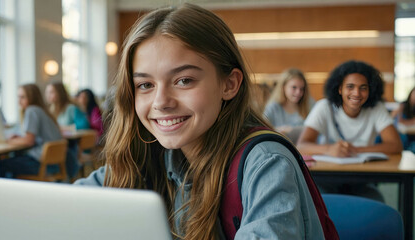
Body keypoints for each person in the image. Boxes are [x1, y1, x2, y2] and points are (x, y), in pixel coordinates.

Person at [75, 3, 325, 239]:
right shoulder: (150, 153)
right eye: (145, 85)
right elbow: (64, 204)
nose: (161, 102)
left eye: (184, 80)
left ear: (229, 84)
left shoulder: (265, 163)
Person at [297, 60, 403, 201]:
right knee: (320, 202)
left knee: (376, 202)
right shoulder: (324, 107)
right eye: (350, 87)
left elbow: (395, 145)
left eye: (363, 88)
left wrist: (356, 150)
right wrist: (329, 150)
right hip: (327, 178)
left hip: (362, 179)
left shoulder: (376, 108)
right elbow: (301, 146)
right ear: (340, 89)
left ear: (370, 90)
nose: (356, 93)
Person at [0, 84, 63, 178]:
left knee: (1, 164)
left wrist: (7, 141)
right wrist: (20, 138)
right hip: (54, 163)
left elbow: (29, 141)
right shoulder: (42, 110)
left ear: (32, 97)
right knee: (14, 157)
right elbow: (34, 138)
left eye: (22, 97)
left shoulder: (32, 110)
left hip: (42, 165)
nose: (19, 101)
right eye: (18, 97)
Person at [263, 68, 313, 143]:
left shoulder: (309, 104)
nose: (298, 92)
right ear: (283, 87)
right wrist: (278, 130)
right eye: (294, 87)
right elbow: (262, 129)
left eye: (302, 89)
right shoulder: (273, 108)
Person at [393, 87, 415, 152]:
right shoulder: (403, 105)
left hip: (411, 133)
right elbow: (400, 121)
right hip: (402, 132)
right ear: (411, 94)